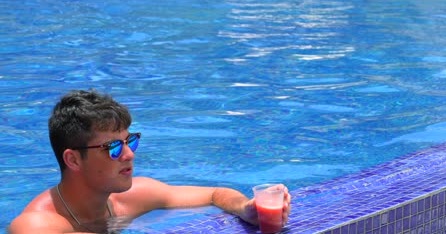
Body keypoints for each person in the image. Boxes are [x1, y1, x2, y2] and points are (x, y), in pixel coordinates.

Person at [9, 89, 291, 233]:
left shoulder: (128, 197)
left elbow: (215, 194)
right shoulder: (35, 224)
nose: (130, 154)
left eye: (130, 141)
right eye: (114, 147)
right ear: (73, 160)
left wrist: (247, 209)